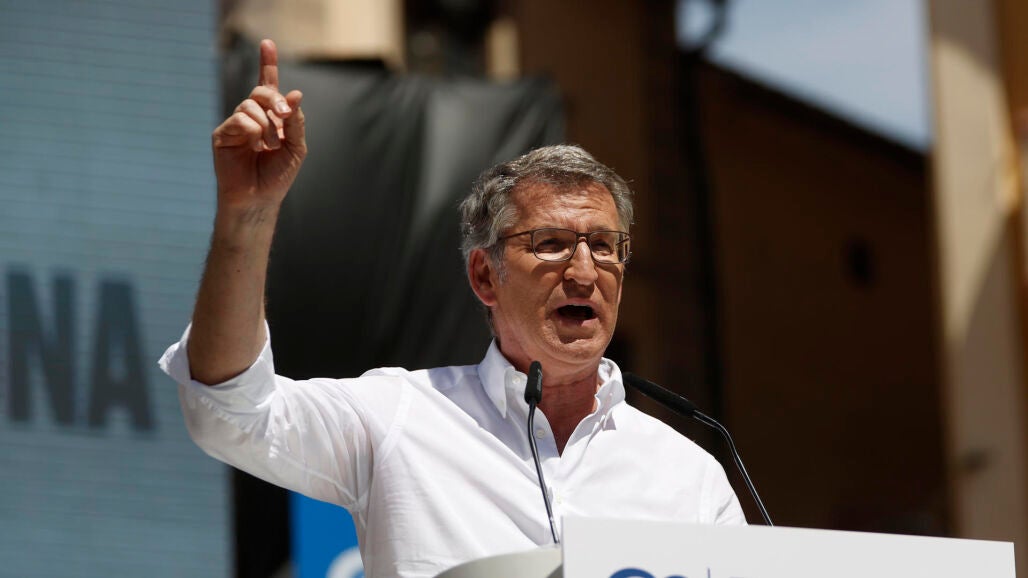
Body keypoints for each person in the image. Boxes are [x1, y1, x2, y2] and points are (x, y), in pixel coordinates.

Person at [160, 39, 744, 578]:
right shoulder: (399, 418)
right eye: (551, 244)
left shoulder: (690, 477)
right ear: (485, 276)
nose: (585, 272)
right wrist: (247, 212)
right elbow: (228, 411)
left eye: (605, 246)